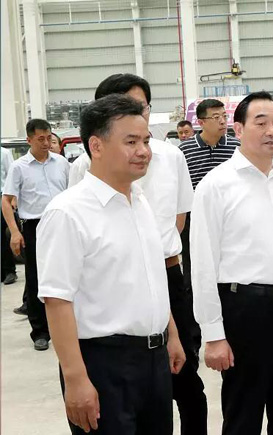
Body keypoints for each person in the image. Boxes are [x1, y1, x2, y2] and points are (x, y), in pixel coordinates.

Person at [37, 94, 185, 435]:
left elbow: (151, 277)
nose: (144, 151)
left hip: (153, 360)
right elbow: (57, 300)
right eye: (131, 142)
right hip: (104, 363)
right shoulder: (68, 213)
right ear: (96, 146)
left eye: (146, 141)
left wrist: (171, 334)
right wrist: (75, 379)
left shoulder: (140, 202)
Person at [191, 92, 273, 435]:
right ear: (238, 129)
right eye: (261, 123)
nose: (272, 131)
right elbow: (203, 265)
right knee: (244, 413)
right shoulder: (216, 185)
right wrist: (213, 334)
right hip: (245, 311)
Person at [93, 73, 207, 435]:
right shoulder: (85, 166)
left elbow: (180, 217)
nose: (138, 113)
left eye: (143, 107)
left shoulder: (171, 156)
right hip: (115, 281)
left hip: (167, 276)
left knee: (186, 380)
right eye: (127, 106)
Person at [2, 119, 69, 351]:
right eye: (40, 139)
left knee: (67, 273)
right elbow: (6, 200)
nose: (46, 143)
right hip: (34, 227)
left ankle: (69, 324)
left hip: (62, 224)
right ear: (29, 139)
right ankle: (40, 331)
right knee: (36, 278)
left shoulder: (61, 163)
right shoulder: (19, 167)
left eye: (49, 138)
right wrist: (14, 232)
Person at [179, 99, 240, 292]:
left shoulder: (237, 147)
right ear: (201, 122)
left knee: (229, 259)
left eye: (224, 116)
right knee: (194, 262)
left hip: (230, 216)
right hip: (195, 217)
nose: (222, 121)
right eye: (216, 117)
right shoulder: (184, 150)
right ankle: (193, 304)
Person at [1, 147, 17, 285]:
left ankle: (9, 271)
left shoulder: (4, 153)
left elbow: (11, 178)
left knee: (3, 237)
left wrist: (13, 199)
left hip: (2, 197)